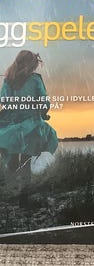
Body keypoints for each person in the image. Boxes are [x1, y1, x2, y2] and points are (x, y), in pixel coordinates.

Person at [0, 51, 58, 205]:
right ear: (31, 64)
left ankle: (13, 191)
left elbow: (4, 101)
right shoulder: (35, 79)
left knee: (12, 160)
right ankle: (23, 197)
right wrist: (42, 112)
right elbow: (44, 102)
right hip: (31, 125)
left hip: (12, 126)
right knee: (26, 160)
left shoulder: (9, 79)